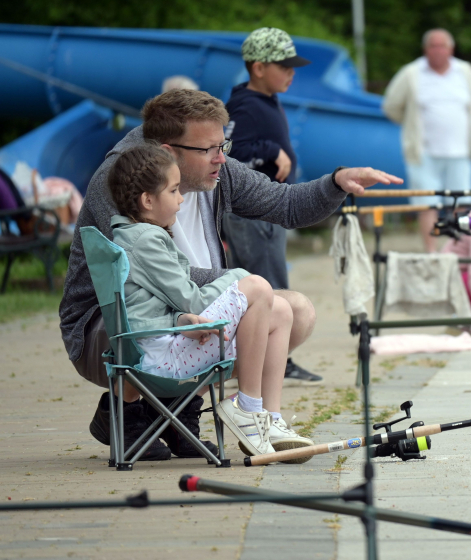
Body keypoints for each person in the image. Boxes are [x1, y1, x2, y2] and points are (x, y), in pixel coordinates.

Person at [59, 88, 401, 460]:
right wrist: (239, 284)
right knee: (257, 296)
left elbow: (285, 204)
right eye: (210, 149)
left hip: (184, 314)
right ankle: (127, 411)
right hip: (110, 326)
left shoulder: (214, 171)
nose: (222, 158)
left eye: (224, 145)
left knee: (294, 312)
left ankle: (182, 410)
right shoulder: (123, 179)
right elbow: (146, 278)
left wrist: (335, 182)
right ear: (168, 151)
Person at [106, 144, 311, 458]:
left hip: (166, 345)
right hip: (164, 360)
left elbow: (151, 307)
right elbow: (192, 300)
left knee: (280, 311)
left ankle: (269, 418)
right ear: (147, 200)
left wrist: (181, 321)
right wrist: (238, 279)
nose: (181, 199)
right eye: (174, 191)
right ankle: (248, 407)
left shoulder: (138, 235)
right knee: (255, 286)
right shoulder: (145, 240)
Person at [222, 27, 320, 384]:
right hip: (255, 214)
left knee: (271, 280)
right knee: (269, 285)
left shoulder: (265, 99)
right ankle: (274, 359)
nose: (292, 72)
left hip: (267, 213)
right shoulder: (245, 105)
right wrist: (268, 150)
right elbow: (228, 153)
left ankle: (272, 355)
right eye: (284, 65)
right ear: (259, 67)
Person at [382, 28, 471, 253]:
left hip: (460, 151)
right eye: (433, 46)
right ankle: (431, 251)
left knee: (462, 202)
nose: (438, 51)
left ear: (451, 49)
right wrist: (411, 123)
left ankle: (460, 249)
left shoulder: (465, 71)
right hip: (424, 152)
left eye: (442, 46)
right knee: (426, 204)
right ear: (425, 49)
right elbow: (391, 106)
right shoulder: (411, 73)